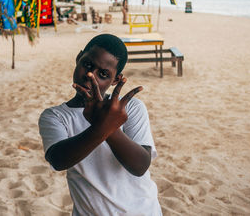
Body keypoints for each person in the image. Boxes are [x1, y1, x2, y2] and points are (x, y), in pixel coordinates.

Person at [38, 34, 162, 216]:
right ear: (78, 58)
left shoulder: (131, 108)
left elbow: (140, 166)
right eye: (87, 65)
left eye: (103, 74)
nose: (91, 76)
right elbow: (58, 160)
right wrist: (103, 126)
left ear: (116, 80)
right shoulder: (55, 116)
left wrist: (109, 126)